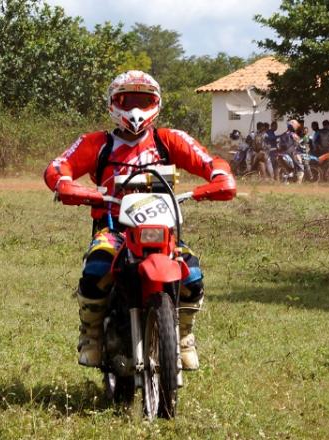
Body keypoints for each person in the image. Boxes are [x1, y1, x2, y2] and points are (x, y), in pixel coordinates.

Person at [44, 70, 236, 370]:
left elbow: (209, 161)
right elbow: (59, 165)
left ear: (156, 103)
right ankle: (91, 334)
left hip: (163, 230)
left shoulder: (168, 140)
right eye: (126, 100)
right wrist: (65, 184)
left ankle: (184, 334)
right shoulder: (97, 143)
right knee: (96, 268)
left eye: (143, 101)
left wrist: (220, 177)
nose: (134, 109)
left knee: (192, 275)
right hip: (113, 228)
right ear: (112, 104)